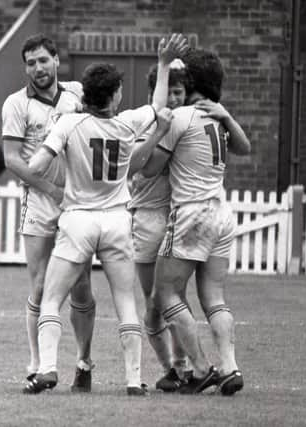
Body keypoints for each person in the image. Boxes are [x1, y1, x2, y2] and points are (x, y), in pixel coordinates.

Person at [24, 34, 188, 395]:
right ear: (115, 95)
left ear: (85, 96)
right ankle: (133, 380)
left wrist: (47, 153)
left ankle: (48, 368)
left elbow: (35, 166)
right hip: (116, 221)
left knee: (51, 298)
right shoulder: (128, 122)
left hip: (79, 219)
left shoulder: (69, 123)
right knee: (127, 302)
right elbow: (158, 105)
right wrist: (162, 65)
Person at [142, 49, 251, 395]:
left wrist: (156, 132)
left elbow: (148, 168)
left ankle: (202, 369)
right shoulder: (217, 116)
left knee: (165, 294)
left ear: (191, 82)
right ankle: (231, 368)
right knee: (214, 298)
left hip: (191, 215)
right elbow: (244, 148)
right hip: (221, 214)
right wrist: (228, 116)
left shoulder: (182, 117)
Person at [1, 34, 96, 392]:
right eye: (30, 63)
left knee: (82, 287)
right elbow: (12, 160)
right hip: (40, 203)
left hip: (77, 203)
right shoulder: (15, 104)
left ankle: (84, 363)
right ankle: (38, 364)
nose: (37, 68)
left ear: (56, 60)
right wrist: (51, 189)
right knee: (41, 286)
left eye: (43, 60)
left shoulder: (77, 94)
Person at [127, 62, 191, 392]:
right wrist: (159, 133)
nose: (175, 99)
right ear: (155, 94)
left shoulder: (189, 124)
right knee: (153, 305)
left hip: (180, 218)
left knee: (174, 299)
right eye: (170, 92)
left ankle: (181, 368)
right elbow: (138, 167)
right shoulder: (144, 120)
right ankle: (171, 368)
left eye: (180, 93)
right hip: (149, 218)